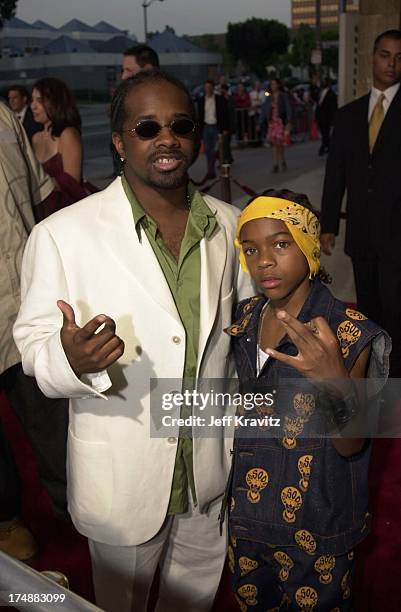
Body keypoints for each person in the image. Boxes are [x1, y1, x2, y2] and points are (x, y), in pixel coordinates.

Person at [14, 70, 253, 612]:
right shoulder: (61, 234)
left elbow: (241, 337)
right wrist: (70, 360)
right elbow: (32, 343)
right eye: (147, 127)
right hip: (123, 478)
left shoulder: (230, 224)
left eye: (180, 126)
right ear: (120, 141)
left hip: (208, 474)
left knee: (191, 601)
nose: (166, 139)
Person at [222, 189, 390, 611]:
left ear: (309, 245)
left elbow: (352, 443)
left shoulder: (350, 332)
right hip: (250, 515)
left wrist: (332, 379)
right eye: (251, 248)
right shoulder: (243, 320)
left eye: (281, 244)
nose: (264, 260)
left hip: (317, 523)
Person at [0, 101, 68, 561]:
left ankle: (80, 520)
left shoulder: (4, 115)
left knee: (53, 426)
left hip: (25, 303)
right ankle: (7, 520)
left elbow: (41, 197)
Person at [320, 29, 401, 378]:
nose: (392, 64)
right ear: (371, 57)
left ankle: (395, 381)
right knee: (368, 309)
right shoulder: (348, 115)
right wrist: (328, 225)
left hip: (399, 232)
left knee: (396, 307)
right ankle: (374, 379)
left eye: (399, 57)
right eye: (385, 55)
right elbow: (335, 173)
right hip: (362, 232)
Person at [30, 77, 95, 219]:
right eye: (32, 100)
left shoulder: (68, 134)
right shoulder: (35, 138)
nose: (33, 106)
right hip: (43, 212)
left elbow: (72, 181)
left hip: (67, 211)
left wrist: (40, 184)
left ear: (55, 102)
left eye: (39, 101)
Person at [196, 79, 229, 181]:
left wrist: (225, 128)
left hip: (216, 126)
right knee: (208, 150)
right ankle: (210, 171)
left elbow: (224, 114)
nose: (208, 89)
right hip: (206, 126)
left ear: (213, 88)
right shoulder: (201, 100)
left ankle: (221, 168)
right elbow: (199, 116)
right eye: (206, 87)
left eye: (210, 87)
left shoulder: (219, 99)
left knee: (217, 149)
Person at [261, 78, 292, 173]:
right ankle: (275, 164)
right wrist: (261, 121)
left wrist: (289, 120)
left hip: (280, 121)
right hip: (272, 122)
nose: (273, 86)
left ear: (278, 85)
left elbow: (288, 108)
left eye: (274, 84)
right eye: (271, 84)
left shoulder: (283, 96)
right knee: (274, 143)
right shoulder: (269, 97)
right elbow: (264, 109)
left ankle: (282, 159)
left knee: (279, 142)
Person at [315, 78, 337, 155]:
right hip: (320, 117)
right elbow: (318, 105)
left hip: (326, 117)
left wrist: (333, 118)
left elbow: (332, 107)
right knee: (324, 132)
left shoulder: (331, 94)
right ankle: (327, 146)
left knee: (325, 132)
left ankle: (324, 147)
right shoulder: (320, 92)